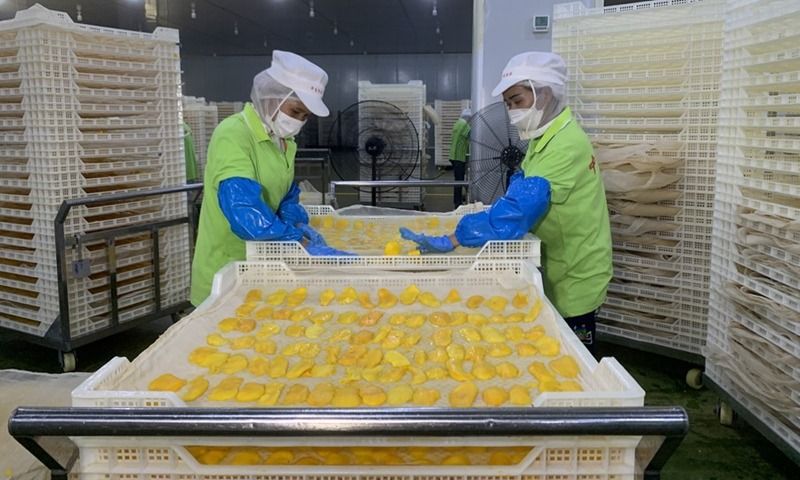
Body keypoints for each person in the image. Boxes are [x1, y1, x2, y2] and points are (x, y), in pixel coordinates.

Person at [400, 52, 612, 354]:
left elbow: (517, 212)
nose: (512, 111)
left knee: (572, 359)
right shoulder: (544, 137)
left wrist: (454, 239)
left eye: (517, 101)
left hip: (574, 275)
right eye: (508, 104)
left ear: (545, 93)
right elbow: (522, 186)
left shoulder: (565, 145)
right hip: (555, 264)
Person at [190, 50, 351, 307]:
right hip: (229, 269)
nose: (298, 122)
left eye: (305, 116)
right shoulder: (233, 134)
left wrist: (295, 224)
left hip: (265, 266)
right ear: (272, 97)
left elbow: (286, 195)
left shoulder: (284, 141)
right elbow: (244, 212)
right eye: (295, 111)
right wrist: (298, 241)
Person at [449, 108, 471, 208]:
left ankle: (458, 199)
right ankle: (457, 203)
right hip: (459, 157)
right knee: (459, 180)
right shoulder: (465, 125)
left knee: (458, 179)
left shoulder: (457, 123)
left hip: (453, 156)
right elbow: (473, 136)